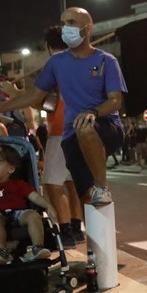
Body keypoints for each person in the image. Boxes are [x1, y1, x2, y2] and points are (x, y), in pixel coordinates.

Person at [0, 7, 127, 207]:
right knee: (85, 197)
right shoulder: (56, 63)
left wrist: (93, 112)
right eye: (64, 22)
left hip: (105, 127)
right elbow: (34, 95)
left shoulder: (106, 61)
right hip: (69, 138)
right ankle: (87, 229)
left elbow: (115, 101)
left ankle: (102, 187)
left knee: (84, 128)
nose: (66, 27)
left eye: (72, 23)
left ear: (88, 28)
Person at [39, 25, 85, 248]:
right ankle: (77, 229)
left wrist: (15, 93)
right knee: (72, 183)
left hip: (60, 129)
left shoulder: (53, 64)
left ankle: (65, 231)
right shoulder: (79, 60)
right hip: (81, 128)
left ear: (48, 46)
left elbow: (44, 101)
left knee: (53, 184)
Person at [0, 145, 56, 265]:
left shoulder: (19, 184)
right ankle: (2, 252)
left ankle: (37, 247)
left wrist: (48, 205)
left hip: (19, 213)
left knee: (33, 215)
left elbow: (35, 196)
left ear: (10, 169)